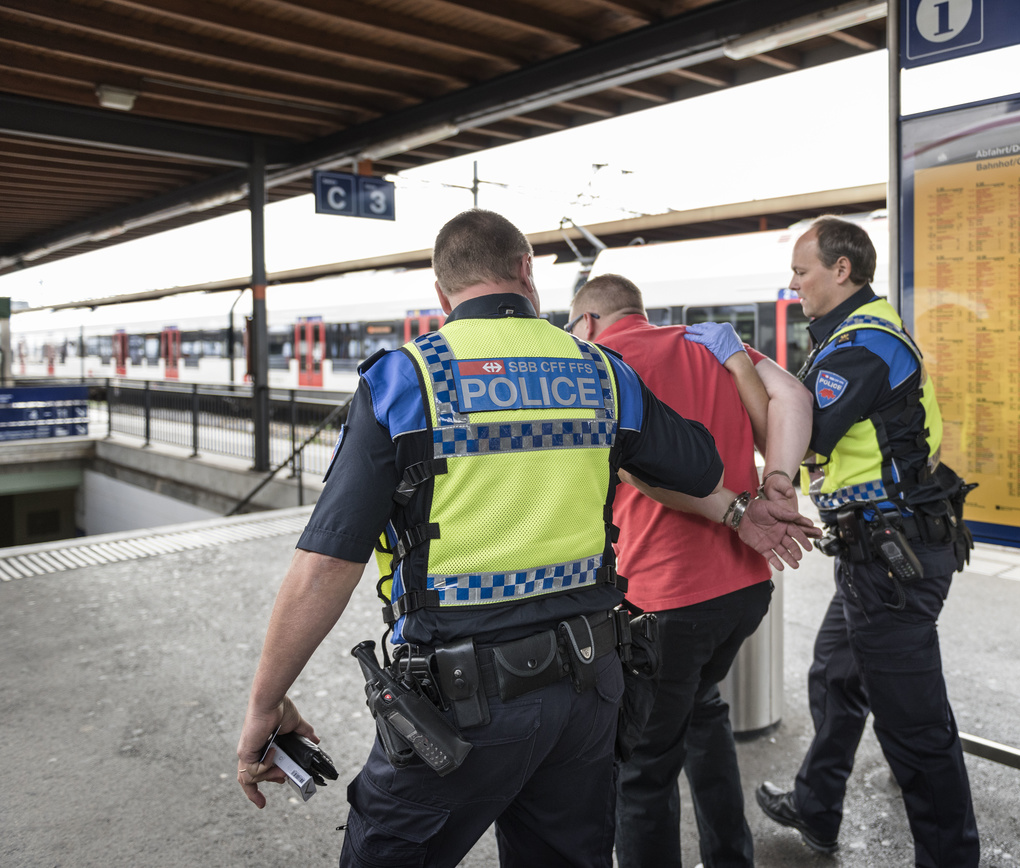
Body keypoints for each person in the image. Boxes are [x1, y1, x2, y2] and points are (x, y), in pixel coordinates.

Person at [234, 209, 813, 868]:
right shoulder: (601, 373)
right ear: (526, 272)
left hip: (452, 710)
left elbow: (325, 568)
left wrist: (264, 703)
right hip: (587, 697)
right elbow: (701, 464)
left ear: (441, 292)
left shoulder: (404, 383)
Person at [567, 274, 817, 868]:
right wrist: (777, 480)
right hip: (744, 588)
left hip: (661, 600)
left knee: (644, 768)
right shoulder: (711, 344)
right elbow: (795, 399)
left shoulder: (596, 362)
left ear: (588, 322)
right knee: (704, 716)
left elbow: (631, 472)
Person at [755, 216, 979, 867]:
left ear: (842, 269)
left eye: (802, 271)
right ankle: (817, 806)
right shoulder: (856, 338)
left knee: (915, 731)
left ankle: (949, 858)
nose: (794, 283)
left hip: (892, 560)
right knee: (835, 676)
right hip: (874, 556)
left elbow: (809, 434)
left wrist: (749, 371)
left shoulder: (863, 345)